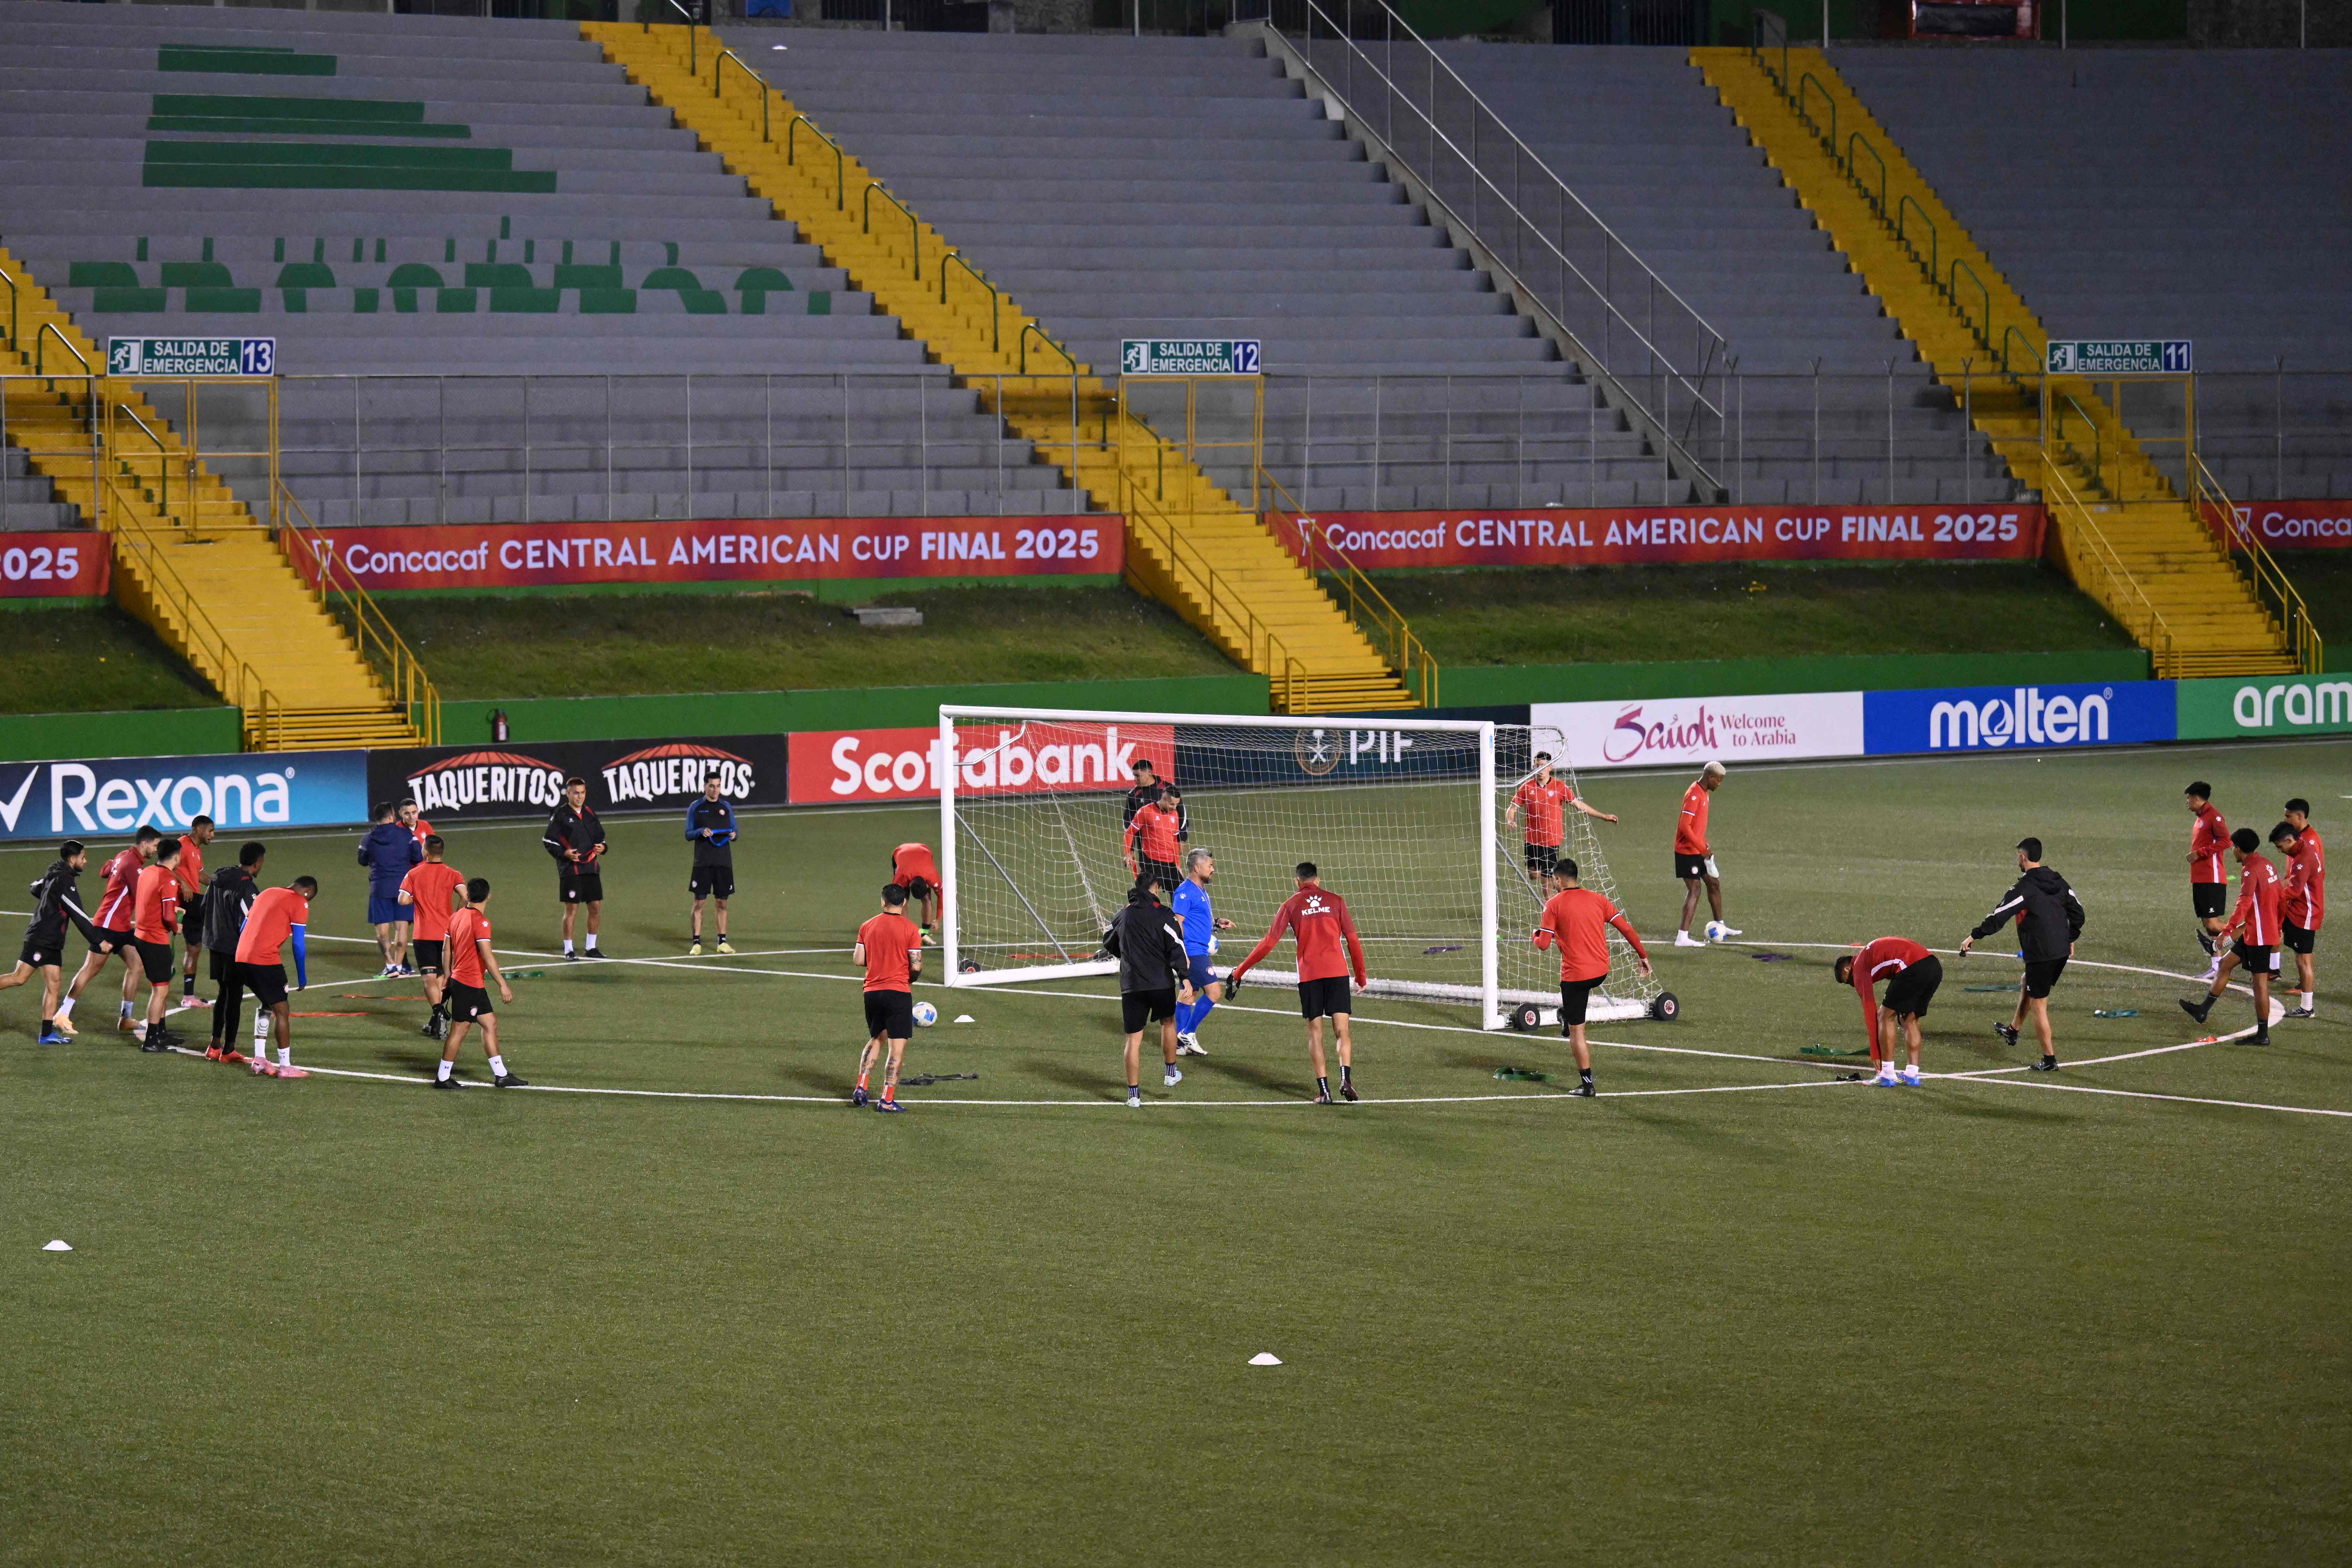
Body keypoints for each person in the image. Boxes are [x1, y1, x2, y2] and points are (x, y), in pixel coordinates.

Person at [1228, 861, 1371, 1104]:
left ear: (1297, 882)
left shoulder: (1291, 905)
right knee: (1342, 1031)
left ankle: (1324, 1092)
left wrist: (1240, 971)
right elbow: (1353, 940)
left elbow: (1268, 943)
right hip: (1337, 972)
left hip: (1310, 975)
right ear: (1318, 880)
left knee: (1316, 1033)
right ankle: (1346, 1078)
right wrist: (1361, 975)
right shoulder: (1336, 901)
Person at [1959, 837, 2086, 1072]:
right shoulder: (2059, 881)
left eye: (2018, 855)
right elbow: (2078, 913)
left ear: (2023, 857)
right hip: (2059, 951)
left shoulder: (2024, 889)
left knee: (2040, 1005)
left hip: (2042, 952)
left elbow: (2000, 915)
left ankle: (2050, 1060)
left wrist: (1974, 936)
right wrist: (2071, 937)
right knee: (2027, 981)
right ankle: (2013, 1030)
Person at [1532, 854, 1651, 1097]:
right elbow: (1626, 928)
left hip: (1576, 977)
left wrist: (1535, 935)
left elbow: (1543, 944)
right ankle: (1567, 1014)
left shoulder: (1553, 905)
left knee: (1578, 1032)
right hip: (1600, 972)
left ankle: (1587, 1085)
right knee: (1576, 1002)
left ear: (1557, 880)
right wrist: (1643, 955)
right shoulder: (1599, 900)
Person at [2182, 827, 2283, 1046]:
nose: (2233, 853)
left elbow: (2244, 904)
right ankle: (2203, 1010)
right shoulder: (2268, 864)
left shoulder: (2250, 871)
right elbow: (2281, 896)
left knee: (2260, 984)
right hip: (2256, 932)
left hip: (2259, 937)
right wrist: (2279, 923)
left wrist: (2226, 933)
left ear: (2238, 849)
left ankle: (2263, 1034)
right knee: (2226, 964)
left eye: (2233, 849)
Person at [57, 825, 160, 1037]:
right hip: (107, 925)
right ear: (145, 843)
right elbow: (143, 895)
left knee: (136, 965)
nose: (156, 850)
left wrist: (116, 868)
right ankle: (62, 1012)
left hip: (122, 926)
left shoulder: (124, 856)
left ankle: (125, 1018)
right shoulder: (133, 864)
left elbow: (104, 871)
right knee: (90, 970)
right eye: (155, 845)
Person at [3, 841, 107, 1044]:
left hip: (52, 941)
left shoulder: (55, 872)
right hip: (41, 938)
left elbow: (35, 887)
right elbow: (78, 914)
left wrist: (48, 898)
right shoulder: (64, 881)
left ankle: (46, 1035)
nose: (85, 861)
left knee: (54, 984)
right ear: (73, 859)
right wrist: (98, 940)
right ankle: (46, 1034)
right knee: (19, 978)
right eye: (83, 857)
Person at [1103, 871, 1192, 1108]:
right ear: (1155, 889)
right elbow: (1178, 947)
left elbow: (1108, 939)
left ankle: (1134, 1096)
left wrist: (1129, 955)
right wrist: (1185, 978)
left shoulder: (1124, 914)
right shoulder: (1163, 914)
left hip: (1132, 985)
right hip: (1160, 983)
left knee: (1133, 1041)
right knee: (1168, 1023)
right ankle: (1170, 1073)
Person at [434, 878, 524, 1089]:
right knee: (460, 1028)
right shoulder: (481, 922)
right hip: (469, 984)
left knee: (490, 1023)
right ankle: (443, 1077)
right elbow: (488, 956)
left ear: (468, 896)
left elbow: (447, 950)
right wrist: (503, 984)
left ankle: (501, 1075)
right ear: (488, 896)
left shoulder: (455, 917)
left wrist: (448, 974)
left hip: (463, 981)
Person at [851, 882, 925, 1113]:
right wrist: (910, 977)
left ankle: (861, 1087)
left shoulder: (867, 926)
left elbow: (858, 959)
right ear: (904, 902)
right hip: (898, 992)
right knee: (897, 1048)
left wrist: (878, 959)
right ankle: (887, 1100)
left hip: (872, 992)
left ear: (883, 901)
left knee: (877, 1038)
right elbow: (916, 965)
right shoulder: (911, 929)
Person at [235, 875, 316, 1078]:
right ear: (307, 892)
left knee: (267, 1003)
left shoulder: (267, 892)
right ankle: (286, 1067)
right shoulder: (300, 902)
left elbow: (243, 927)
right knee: (282, 1010)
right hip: (264, 960)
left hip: (241, 957)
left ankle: (260, 1059)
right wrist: (302, 976)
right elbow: (298, 944)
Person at [1835, 937, 1942, 1088]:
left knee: (1884, 1016)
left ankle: (1886, 1074)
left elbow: (1869, 1009)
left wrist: (1875, 1052)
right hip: (1934, 967)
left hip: (1913, 967)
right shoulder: (1867, 954)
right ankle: (1912, 1075)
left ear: (1847, 969)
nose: (1850, 984)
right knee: (1909, 1020)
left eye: (1846, 981)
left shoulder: (1858, 967)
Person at [1507, 751, 1616, 892]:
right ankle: (1550, 878)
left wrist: (1604, 816)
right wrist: (1511, 820)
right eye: (1537, 766)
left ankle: (1549, 908)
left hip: (1552, 840)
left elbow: (1579, 806)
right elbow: (1512, 809)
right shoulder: (1527, 788)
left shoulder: (1560, 787)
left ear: (1551, 767)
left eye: (1543, 766)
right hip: (1532, 840)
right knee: (1533, 875)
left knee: (1546, 883)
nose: (1540, 770)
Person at [201, 841, 265, 1063]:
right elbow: (252, 921)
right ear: (257, 863)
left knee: (223, 993)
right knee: (234, 996)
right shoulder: (247, 887)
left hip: (215, 944)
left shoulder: (219, 877)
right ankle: (229, 1050)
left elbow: (204, 907)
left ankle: (214, 1045)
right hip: (235, 949)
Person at [399, 835, 467, 1041]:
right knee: (440, 978)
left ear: (425, 853)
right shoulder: (454, 874)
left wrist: (416, 897)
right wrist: (456, 917)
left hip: (425, 934)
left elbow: (402, 900)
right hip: (447, 934)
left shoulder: (414, 874)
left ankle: (439, 1012)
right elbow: (465, 896)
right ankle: (437, 1021)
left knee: (429, 978)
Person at [1171, 847, 1233, 1057]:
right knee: (1215, 992)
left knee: (1188, 996)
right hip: (1193, 953)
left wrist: (1216, 924)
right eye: (1210, 866)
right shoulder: (1185, 891)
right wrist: (1183, 956)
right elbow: (1178, 924)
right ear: (1197, 868)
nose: (1213, 869)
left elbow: (1196, 919)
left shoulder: (1200, 890)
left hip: (1197, 950)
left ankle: (1180, 1046)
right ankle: (1188, 1033)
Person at [129, 837, 187, 1052]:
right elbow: (169, 915)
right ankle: (151, 1040)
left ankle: (161, 1033)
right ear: (177, 856)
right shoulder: (168, 879)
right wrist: (175, 927)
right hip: (156, 939)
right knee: (160, 991)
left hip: (142, 935)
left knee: (162, 987)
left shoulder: (148, 871)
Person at [544, 778, 608, 959]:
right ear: (568, 794)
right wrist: (564, 853)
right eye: (576, 793)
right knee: (572, 910)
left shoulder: (589, 813)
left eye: (583, 793)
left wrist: (603, 847)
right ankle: (569, 950)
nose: (580, 797)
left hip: (591, 867)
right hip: (571, 870)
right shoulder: (560, 815)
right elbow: (548, 841)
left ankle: (591, 948)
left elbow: (600, 836)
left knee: (595, 907)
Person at [1675, 761, 1737, 946]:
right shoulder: (1694, 795)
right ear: (1710, 778)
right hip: (1687, 852)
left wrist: (1703, 841)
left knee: (1714, 883)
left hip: (1696, 848)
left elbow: (1695, 826)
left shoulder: (1704, 793)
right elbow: (1684, 826)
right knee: (1694, 890)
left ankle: (1721, 926)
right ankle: (1682, 937)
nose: (1720, 784)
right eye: (1718, 781)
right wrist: (1701, 847)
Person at [358, 801, 422, 977]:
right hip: (404, 888)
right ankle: (401, 967)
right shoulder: (407, 834)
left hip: (380, 889)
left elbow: (362, 860)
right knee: (402, 929)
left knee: (382, 932)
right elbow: (418, 856)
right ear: (392, 816)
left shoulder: (369, 838)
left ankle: (390, 965)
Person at [2279, 799, 2325, 1018]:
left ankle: (2307, 1006)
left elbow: (2314, 874)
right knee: (2268, 927)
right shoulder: (2298, 842)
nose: (2286, 819)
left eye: (2288, 816)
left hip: (2305, 908)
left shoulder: (2309, 843)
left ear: (2300, 816)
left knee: (2304, 958)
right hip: (2297, 903)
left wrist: (2283, 889)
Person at [685, 774, 737, 955]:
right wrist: (701, 832)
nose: (715, 790)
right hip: (703, 863)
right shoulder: (696, 808)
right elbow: (688, 834)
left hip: (723, 863)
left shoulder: (727, 807)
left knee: (722, 903)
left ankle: (722, 942)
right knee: (699, 903)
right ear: (705, 787)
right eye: (712, 786)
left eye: (718, 786)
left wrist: (734, 835)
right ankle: (696, 943)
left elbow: (735, 831)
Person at [2185, 781, 2230, 977]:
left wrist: (2200, 853)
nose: (2186, 803)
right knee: (2208, 924)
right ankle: (2217, 966)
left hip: (2212, 877)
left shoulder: (2214, 816)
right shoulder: (2201, 817)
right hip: (2201, 877)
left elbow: (2227, 841)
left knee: (2213, 924)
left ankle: (2249, 934)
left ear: (2197, 799)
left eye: (2188, 799)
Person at [172, 815, 216, 1010]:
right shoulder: (182, 844)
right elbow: (164, 867)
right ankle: (186, 994)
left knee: (195, 947)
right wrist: (182, 883)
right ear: (199, 829)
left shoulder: (196, 850)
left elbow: (198, 875)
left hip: (193, 901)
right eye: (210, 831)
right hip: (182, 902)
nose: (213, 836)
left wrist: (221, 882)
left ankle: (189, 996)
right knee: (191, 945)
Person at [1123, 785, 1185, 894]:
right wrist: (1128, 853)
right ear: (1164, 798)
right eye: (1172, 804)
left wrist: (1178, 865)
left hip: (1170, 864)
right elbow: (1130, 833)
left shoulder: (1175, 815)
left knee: (1182, 895)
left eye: (1177, 804)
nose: (1175, 808)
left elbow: (1174, 841)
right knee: (1146, 897)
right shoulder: (1146, 812)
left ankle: (1176, 912)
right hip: (1152, 864)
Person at [1122, 759, 1188, 850]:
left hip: (1169, 844)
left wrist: (1182, 839)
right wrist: (1130, 849)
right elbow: (1128, 824)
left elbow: (1182, 814)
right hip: (1146, 847)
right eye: (1134, 776)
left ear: (1149, 773)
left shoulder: (1168, 789)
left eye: (1138, 776)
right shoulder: (1133, 795)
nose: (1135, 780)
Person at [890, 842, 942, 933]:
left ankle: (925, 932)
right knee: (903, 900)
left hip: (924, 850)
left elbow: (942, 897)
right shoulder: (901, 876)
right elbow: (893, 898)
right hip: (901, 851)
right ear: (909, 885)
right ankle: (905, 931)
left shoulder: (933, 878)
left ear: (927, 885)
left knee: (927, 898)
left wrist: (938, 920)